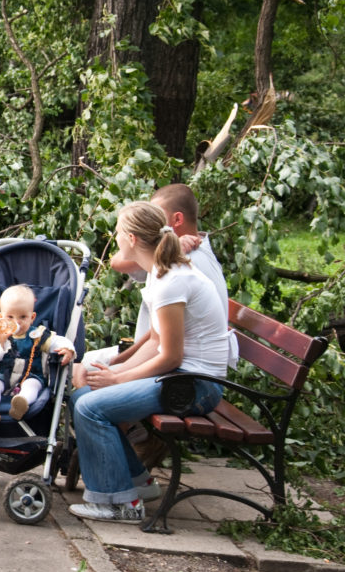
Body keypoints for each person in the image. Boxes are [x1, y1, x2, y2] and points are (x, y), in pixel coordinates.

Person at [68, 201, 232, 524]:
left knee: (91, 408)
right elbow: (156, 341)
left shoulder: (171, 281)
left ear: (131, 239)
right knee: (82, 395)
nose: (114, 238)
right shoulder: (161, 273)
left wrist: (118, 380)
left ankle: (119, 505)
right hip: (180, 377)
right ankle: (137, 482)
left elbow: (171, 355)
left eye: (116, 232)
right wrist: (117, 371)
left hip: (195, 385)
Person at [88, 183, 236, 469]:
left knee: (87, 392)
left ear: (175, 220)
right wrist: (122, 362)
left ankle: (132, 452)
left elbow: (169, 352)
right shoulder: (168, 257)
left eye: (158, 215)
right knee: (83, 374)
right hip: (171, 364)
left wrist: (119, 375)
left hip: (189, 377)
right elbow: (157, 335)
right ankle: (123, 464)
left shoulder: (179, 267)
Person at [0, 284, 76, 424]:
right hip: (0, 374)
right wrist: (0, 343)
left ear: (32, 317)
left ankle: (21, 402)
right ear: (0, 317)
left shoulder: (37, 334)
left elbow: (57, 341)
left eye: (23, 317)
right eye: (10, 317)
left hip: (29, 375)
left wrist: (67, 349)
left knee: (33, 385)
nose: (17, 322)